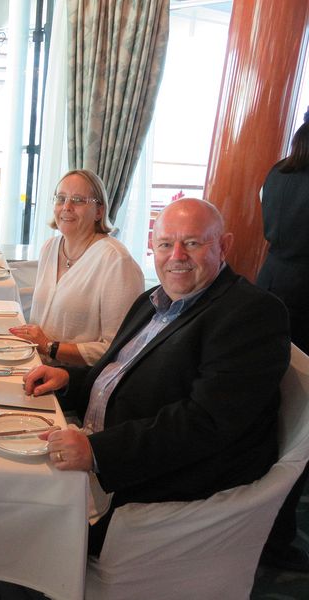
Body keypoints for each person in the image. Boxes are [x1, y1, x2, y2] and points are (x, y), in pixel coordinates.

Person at [23, 198, 290, 558]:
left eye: (192, 243)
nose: (176, 255)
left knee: (18, 517)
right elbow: (120, 374)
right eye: (165, 244)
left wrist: (98, 452)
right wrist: (70, 380)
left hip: (153, 487)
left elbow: (206, 423)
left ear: (223, 246)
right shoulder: (153, 299)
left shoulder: (251, 314)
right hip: (104, 449)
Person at [9, 169, 144, 365]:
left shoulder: (116, 261)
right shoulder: (50, 247)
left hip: (75, 383)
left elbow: (119, 349)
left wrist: (49, 346)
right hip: (33, 364)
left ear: (99, 211)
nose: (66, 207)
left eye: (78, 200)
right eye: (60, 198)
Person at [256, 111, 309, 572]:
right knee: (302, 416)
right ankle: (277, 536)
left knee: (271, 407)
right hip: (307, 299)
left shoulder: (278, 173)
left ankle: (261, 522)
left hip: (273, 283)